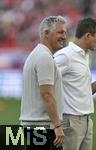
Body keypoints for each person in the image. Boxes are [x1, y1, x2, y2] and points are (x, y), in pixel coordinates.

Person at [54, 17, 96, 150]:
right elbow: (45, 84)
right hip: (70, 122)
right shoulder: (65, 56)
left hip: (87, 121)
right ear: (88, 36)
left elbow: (84, 91)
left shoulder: (84, 55)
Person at [19, 16, 67, 150]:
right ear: (46, 33)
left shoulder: (38, 54)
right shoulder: (44, 57)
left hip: (35, 126)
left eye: (65, 32)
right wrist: (57, 126)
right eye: (60, 32)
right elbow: (46, 94)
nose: (64, 36)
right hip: (41, 127)